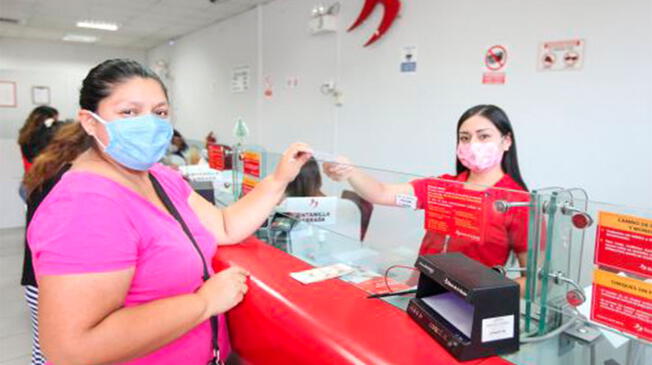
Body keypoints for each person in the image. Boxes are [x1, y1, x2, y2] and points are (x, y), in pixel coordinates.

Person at [24, 58, 312, 364]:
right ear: (90, 122)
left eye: (159, 112)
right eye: (129, 112)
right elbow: (73, 348)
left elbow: (226, 226)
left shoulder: (158, 177)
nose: (149, 124)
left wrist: (279, 179)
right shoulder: (85, 205)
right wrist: (203, 303)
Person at [323, 105, 531, 292]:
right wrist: (349, 172)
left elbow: (535, 282)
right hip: (420, 291)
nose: (473, 144)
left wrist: (488, 290)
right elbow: (380, 193)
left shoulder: (517, 202)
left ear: (506, 141)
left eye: (483, 136)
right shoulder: (442, 187)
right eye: (465, 138)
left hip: (471, 304)